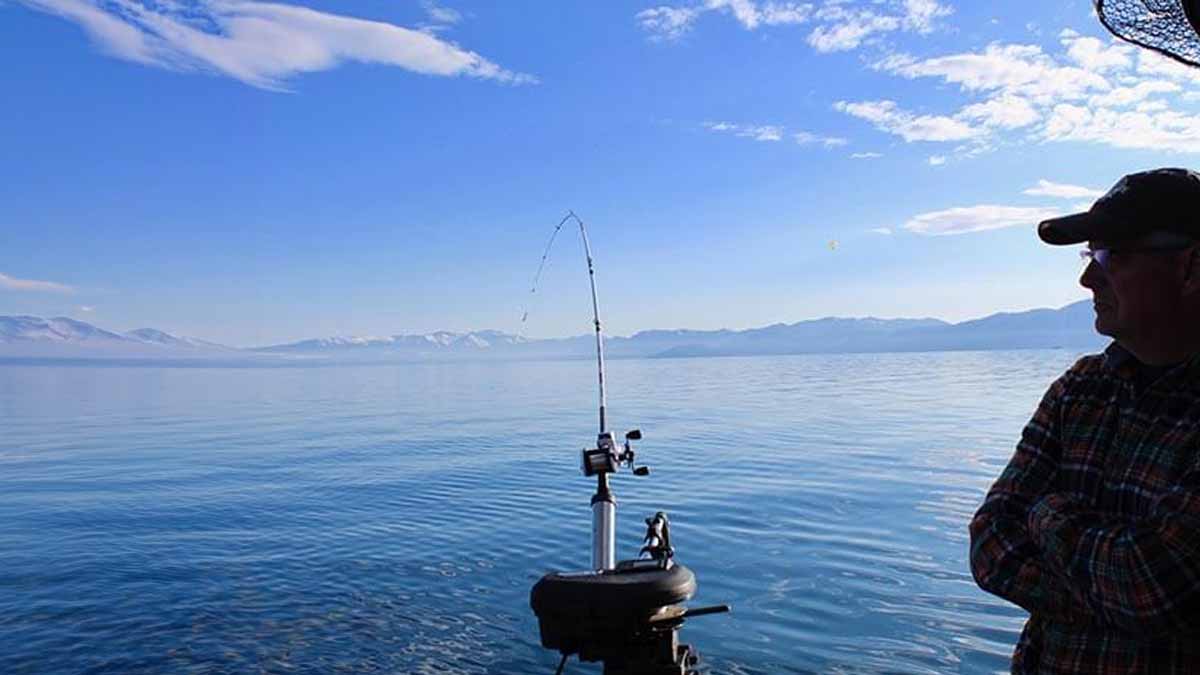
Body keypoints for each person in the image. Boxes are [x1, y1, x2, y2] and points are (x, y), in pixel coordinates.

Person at [969, 167, 1200, 673]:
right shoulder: (1080, 391)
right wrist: (1114, 600)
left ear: (1189, 267)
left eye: (1110, 254)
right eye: (1088, 254)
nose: (1087, 277)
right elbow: (988, 543)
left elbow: (1152, 586)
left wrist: (1048, 514)